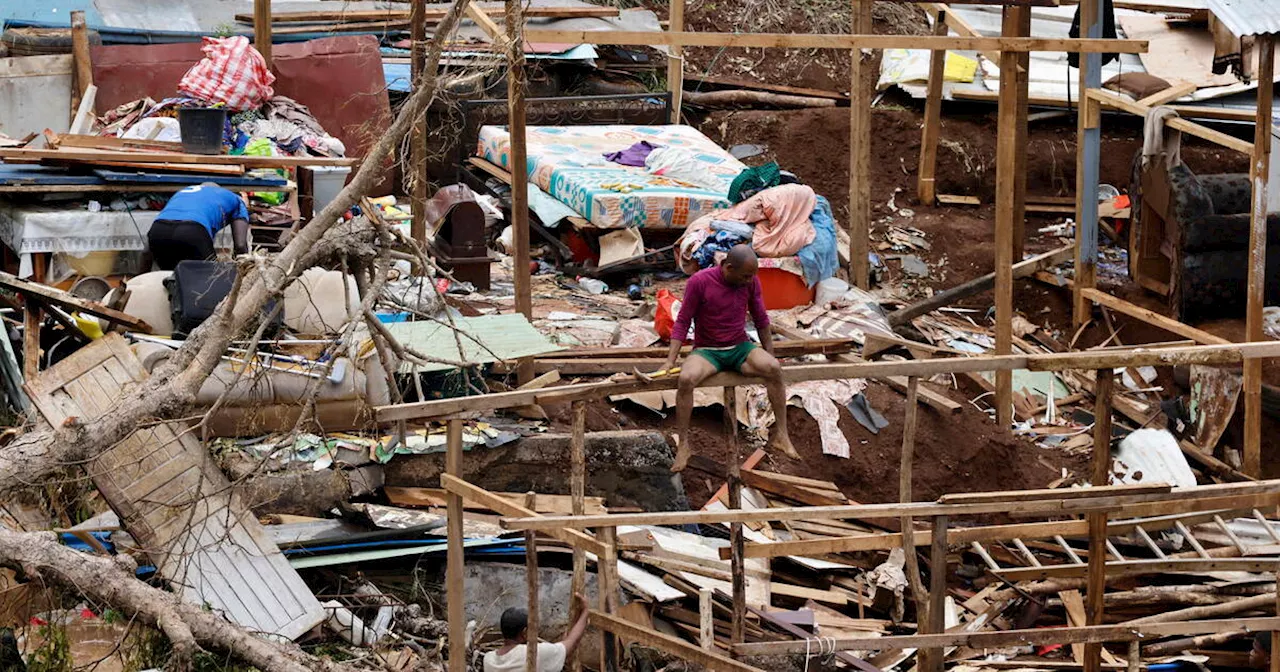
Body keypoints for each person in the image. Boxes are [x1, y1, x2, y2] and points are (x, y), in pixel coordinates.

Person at [662, 244, 798, 473]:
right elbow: (683, 321)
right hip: (707, 351)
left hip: (740, 348)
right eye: (745, 276)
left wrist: (769, 353)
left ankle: (782, 435)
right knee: (686, 379)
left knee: (773, 368)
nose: (748, 281)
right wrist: (670, 360)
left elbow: (761, 318)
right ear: (728, 267)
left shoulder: (750, 282)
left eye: (751, 276)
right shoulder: (699, 282)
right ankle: (684, 444)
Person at [147, 183, 250, 270]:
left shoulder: (183, 193)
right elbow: (240, 246)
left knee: (173, 278)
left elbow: (146, 251)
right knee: (210, 281)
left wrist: (138, 277)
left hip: (158, 231)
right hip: (193, 231)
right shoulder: (237, 201)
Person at [483, 593, 589, 672]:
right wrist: (585, 612)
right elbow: (572, 642)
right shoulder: (533, 653)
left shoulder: (488, 660)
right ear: (524, 632)